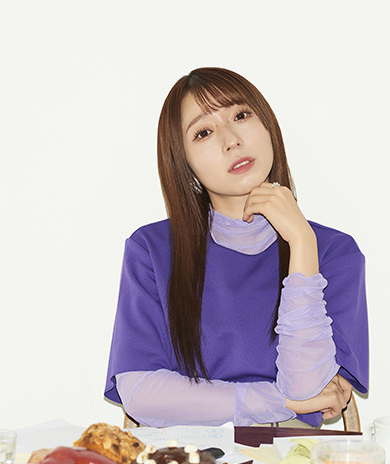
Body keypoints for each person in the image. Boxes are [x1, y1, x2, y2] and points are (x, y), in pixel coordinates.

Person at [104, 67, 368, 427]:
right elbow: (140, 394)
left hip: (293, 457)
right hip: (186, 456)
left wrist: (302, 243)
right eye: (203, 132)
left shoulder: (334, 252)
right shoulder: (152, 250)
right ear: (184, 162)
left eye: (241, 115)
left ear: (268, 126)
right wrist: (277, 401)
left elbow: (308, 390)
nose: (231, 141)